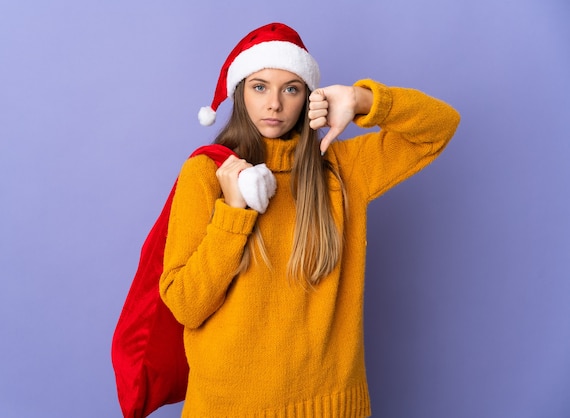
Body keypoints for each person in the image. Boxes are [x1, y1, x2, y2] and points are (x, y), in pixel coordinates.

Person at [159, 22, 460, 417]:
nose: (274, 104)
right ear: (240, 92)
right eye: (260, 86)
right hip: (229, 407)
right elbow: (185, 304)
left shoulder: (342, 170)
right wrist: (232, 215)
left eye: (291, 88)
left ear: (308, 97)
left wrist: (361, 99)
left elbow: (439, 127)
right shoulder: (208, 173)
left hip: (330, 406)